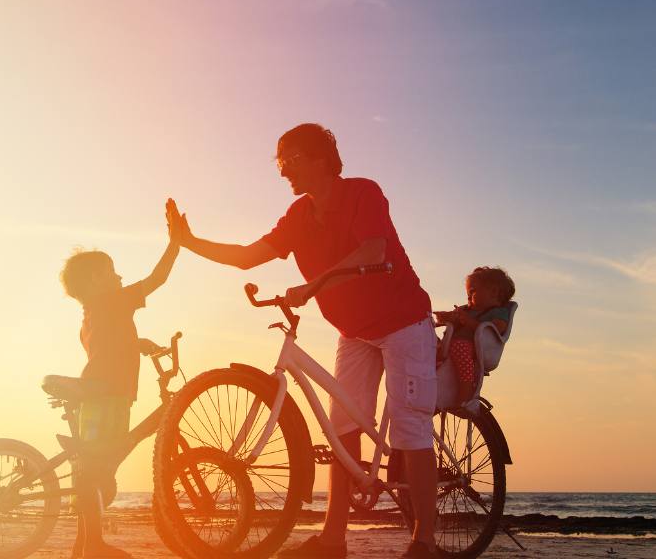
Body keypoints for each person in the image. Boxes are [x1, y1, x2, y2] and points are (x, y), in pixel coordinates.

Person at [167, 123, 440, 559]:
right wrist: (189, 242)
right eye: (279, 163)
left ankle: (424, 541)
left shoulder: (362, 193)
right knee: (342, 432)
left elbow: (373, 251)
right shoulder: (298, 216)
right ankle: (334, 539)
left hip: (403, 322)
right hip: (354, 332)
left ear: (321, 158)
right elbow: (246, 257)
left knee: (410, 428)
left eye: (291, 160)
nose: (283, 172)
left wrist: (317, 283)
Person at [58, 222, 180, 559]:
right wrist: (176, 243)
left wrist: (138, 343)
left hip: (105, 396)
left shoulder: (94, 314)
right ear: (97, 281)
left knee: (97, 467)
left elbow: (109, 346)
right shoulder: (112, 302)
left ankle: (83, 546)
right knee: (98, 467)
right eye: (113, 272)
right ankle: (93, 545)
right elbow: (158, 279)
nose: (120, 277)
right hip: (107, 397)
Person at [433, 266, 515, 404]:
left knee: (460, 347)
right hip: (450, 345)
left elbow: (496, 329)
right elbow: (453, 319)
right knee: (426, 342)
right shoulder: (468, 310)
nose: (468, 297)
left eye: (472, 291)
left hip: (474, 349)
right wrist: (446, 317)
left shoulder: (498, 312)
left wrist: (470, 322)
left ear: (493, 292)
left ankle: (466, 390)